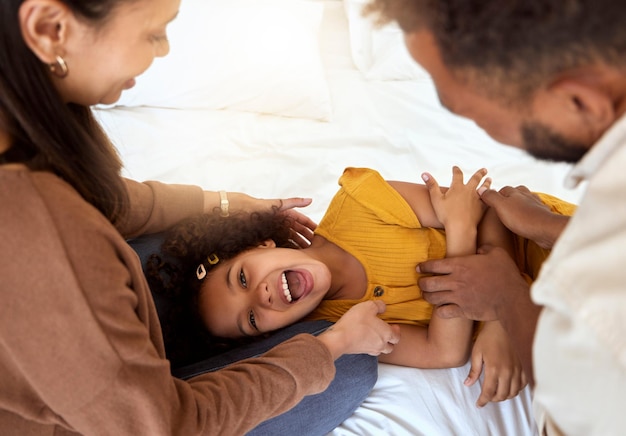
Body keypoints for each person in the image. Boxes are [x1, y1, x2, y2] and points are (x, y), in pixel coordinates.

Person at [0, 0, 401, 434]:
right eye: (154, 33)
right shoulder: (43, 226)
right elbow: (168, 427)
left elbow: (109, 203)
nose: (165, 49)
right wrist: (333, 345)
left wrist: (222, 205)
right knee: (349, 366)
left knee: (175, 250)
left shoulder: (30, 151)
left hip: (63, 370)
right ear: (48, 28)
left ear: (262, 243)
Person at [364, 0, 626, 434]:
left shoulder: (590, 299)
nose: (484, 131)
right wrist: (551, 227)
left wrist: (506, 297)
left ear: (578, 99)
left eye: (470, 112)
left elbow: (591, 405)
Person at [148, 166, 575, 406]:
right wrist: (460, 232)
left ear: (257, 244)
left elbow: (488, 210)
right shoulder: (344, 325)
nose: (259, 295)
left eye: (242, 277)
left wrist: (498, 319)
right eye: (253, 320)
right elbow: (443, 351)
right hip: (548, 323)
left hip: (547, 245)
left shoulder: (358, 205)